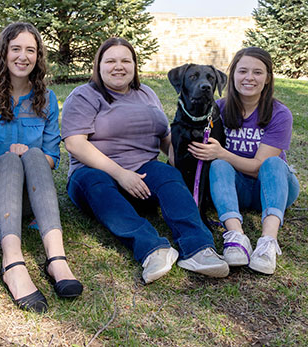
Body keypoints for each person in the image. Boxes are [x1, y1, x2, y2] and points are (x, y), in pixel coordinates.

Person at [62, 37, 230, 285]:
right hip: (93, 173)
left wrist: (177, 152)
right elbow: (75, 143)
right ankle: (153, 250)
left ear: (134, 66)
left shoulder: (146, 93)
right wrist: (121, 174)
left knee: (169, 176)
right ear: (98, 66)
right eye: (110, 61)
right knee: (97, 184)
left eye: (125, 61)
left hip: (144, 172)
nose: (118, 66)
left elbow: (164, 136)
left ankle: (198, 249)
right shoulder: (84, 95)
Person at [0, 22, 82, 313]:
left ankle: (57, 259)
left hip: (28, 200)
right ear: (4, 53)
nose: (23, 56)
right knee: (9, 158)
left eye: (30, 50)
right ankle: (13, 264)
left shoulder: (46, 99)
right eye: (16, 48)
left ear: (38, 57)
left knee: (33, 155)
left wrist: (28, 155)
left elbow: (50, 159)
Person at [188, 47, 299, 275]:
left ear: (268, 78)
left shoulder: (279, 113)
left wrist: (223, 153)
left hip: (273, 187)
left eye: (257, 72)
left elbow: (260, 166)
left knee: (273, 163)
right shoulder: (218, 108)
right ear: (233, 75)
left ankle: (267, 243)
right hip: (236, 190)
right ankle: (235, 237)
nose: (249, 78)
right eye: (243, 71)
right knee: (219, 165)